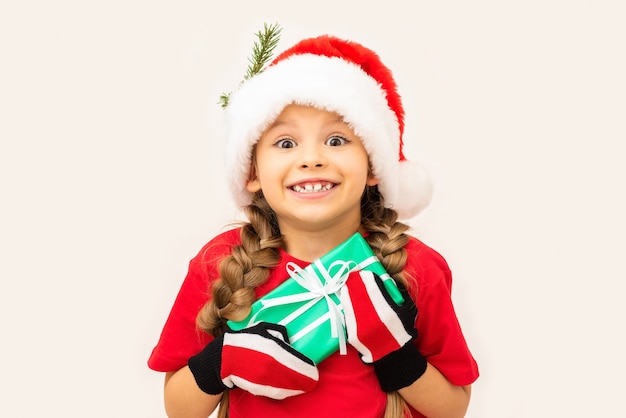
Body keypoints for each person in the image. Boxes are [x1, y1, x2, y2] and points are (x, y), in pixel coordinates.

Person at [148, 27, 479, 418]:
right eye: (285, 143)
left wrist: (395, 354)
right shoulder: (221, 262)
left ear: (373, 164)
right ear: (252, 172)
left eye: (337, 140)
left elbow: (453, 408)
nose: (312, 159)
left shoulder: (415, 268)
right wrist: (223, 359)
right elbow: (178, 409)